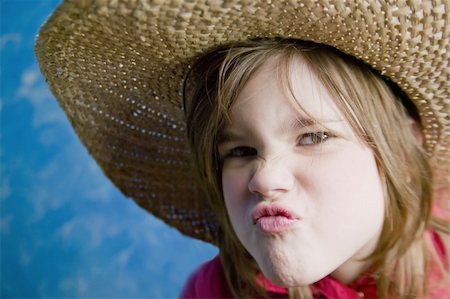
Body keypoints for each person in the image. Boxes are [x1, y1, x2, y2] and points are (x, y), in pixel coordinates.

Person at [35, 1, 449, 298]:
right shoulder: (213, 291)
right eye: (240, 151)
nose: (263, 176)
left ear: (405, 149)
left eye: (313, 137)